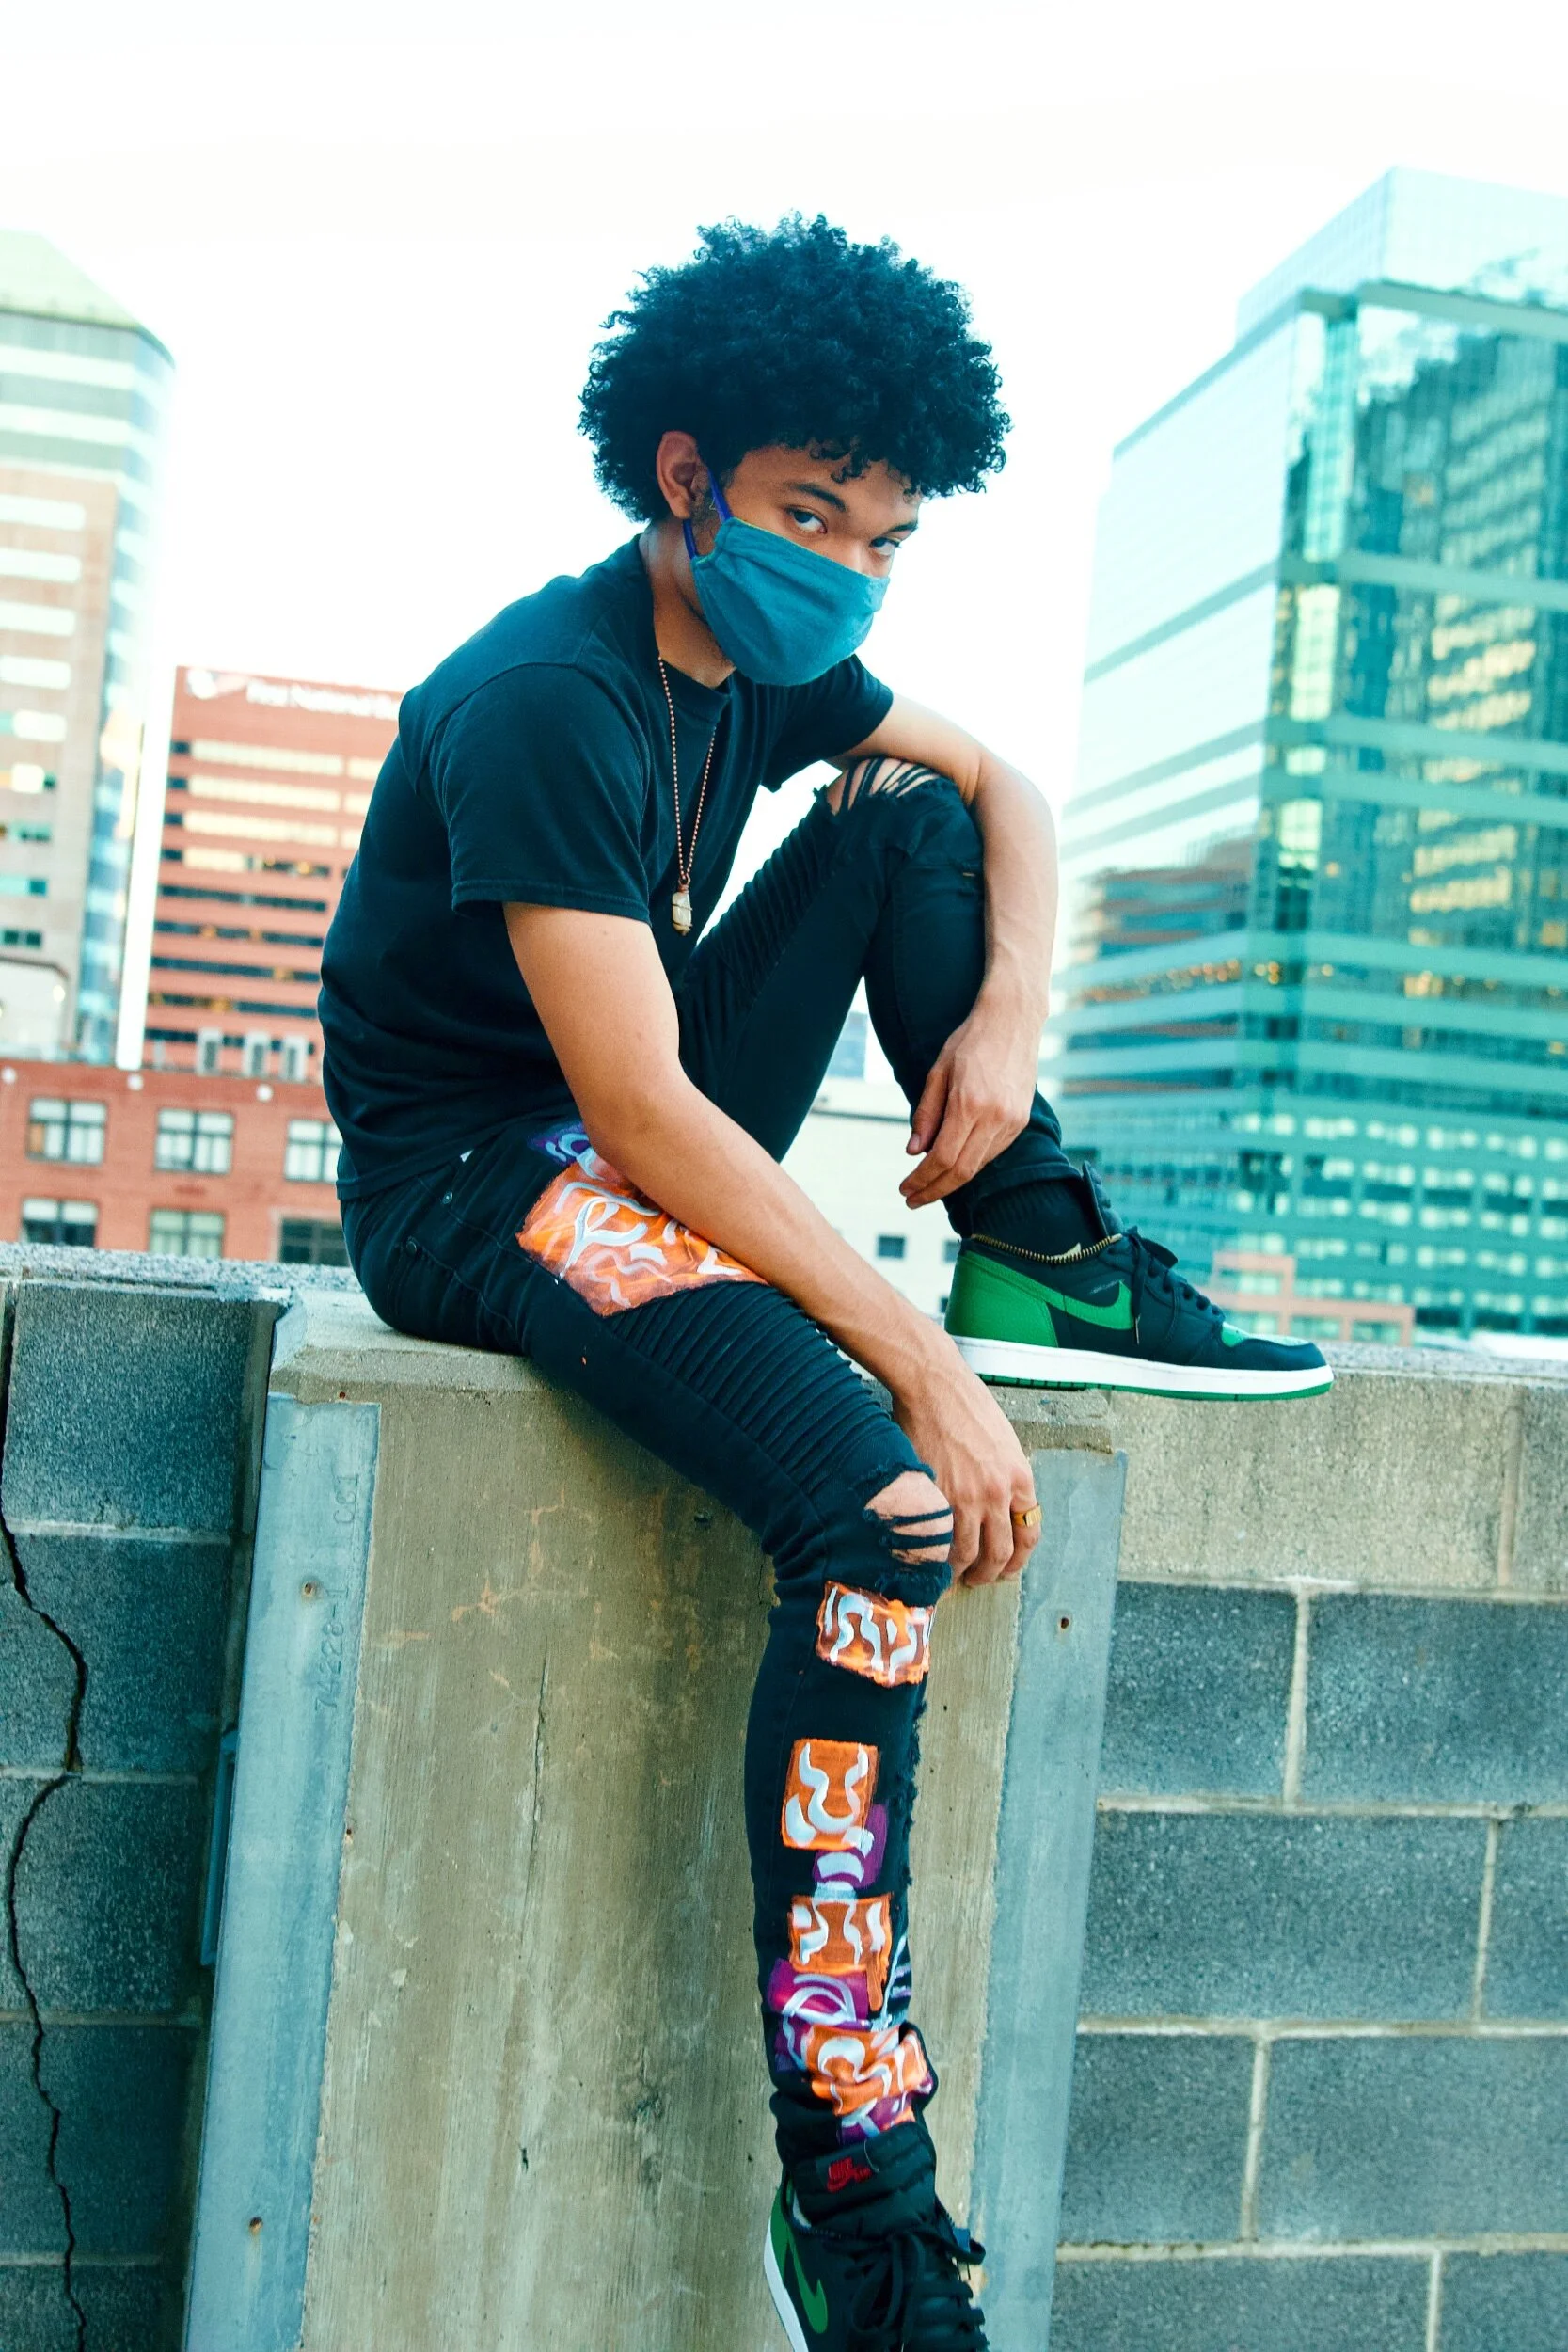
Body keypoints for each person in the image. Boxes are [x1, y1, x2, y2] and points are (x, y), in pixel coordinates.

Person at [321, 216, 1330, 2352]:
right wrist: (912, 1370)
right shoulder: (544, 696)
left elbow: (1003, 785)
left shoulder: (775, 670)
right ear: (680, 475)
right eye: (807, 518)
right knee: (873, 1503)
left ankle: (1041, 1249)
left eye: (880, 534)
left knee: (900, 815)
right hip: (480, 1181)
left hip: (645, 1136)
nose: (846, 569)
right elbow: (640, 1114)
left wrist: (1004, 1021)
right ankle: (856, 2189)